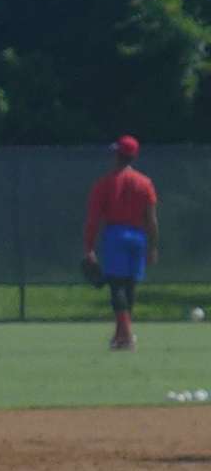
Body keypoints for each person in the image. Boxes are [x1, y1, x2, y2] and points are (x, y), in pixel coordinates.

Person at [87, 135, 159, 351]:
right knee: (129, 287)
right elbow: (151, 218)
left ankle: (126, 335)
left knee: (117, 285)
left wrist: (88, 247)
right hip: (138, 236)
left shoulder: (105, 183)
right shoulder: (145, 182)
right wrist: (153, 247)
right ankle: (120, 336)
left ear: (118, 156)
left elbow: (94, 218)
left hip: (115, 234)